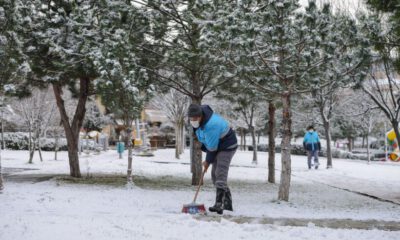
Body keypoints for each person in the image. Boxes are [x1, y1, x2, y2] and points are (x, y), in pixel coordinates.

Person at [188, 104, 238, 214]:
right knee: (215, 175)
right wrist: (208, 161)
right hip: (218, 145)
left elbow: (212, 147)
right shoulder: (200, 122)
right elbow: (208, 143)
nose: (193, 120)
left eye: (195, 118)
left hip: (227, 146)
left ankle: (219, 204)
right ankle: (227, 204)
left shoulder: (211, 125)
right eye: (191, 118)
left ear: (201, 116)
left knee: (220, 172)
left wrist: (207, 161)